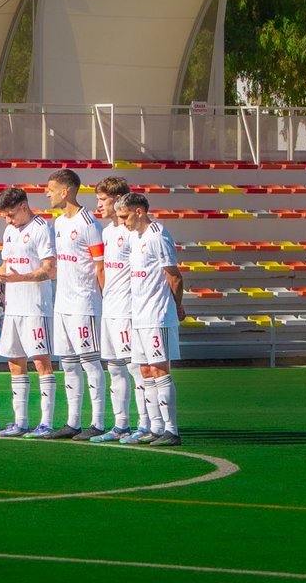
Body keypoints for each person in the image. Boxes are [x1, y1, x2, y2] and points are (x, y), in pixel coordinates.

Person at [0, 185, 58, 439]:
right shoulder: (10, 231)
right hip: (14, 308)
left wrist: (22, 279)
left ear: (23, 207)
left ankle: (47, 423)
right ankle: (21, 422)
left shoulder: (41, 228)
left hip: (36, 307)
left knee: (41, 362)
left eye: (10, 215)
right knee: (14, 362)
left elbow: (50, 269)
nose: (7, 220)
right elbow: (7, 268)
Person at [118, 193, 185, 447]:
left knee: (159, 370)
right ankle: (155, 428)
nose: (123, 222)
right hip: (139, 316)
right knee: (145, 371)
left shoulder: (158, 235)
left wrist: (175, 306)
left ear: (139, 212)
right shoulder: (135, 237)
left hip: (157, 315)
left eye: (125, 216)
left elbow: (174, 276)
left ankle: (171, 430)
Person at [44, 168, 106, 440]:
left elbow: (100, 266)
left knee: (90, 362)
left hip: (84, 303)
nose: (47, 194)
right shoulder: (58, 223)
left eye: (51, 189)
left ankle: (98, 422)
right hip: (62, 304)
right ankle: (73, 422)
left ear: (65, 190)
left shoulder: (89, 223)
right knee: (68, 364)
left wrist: (105, 299)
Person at [91, 176, 147, 442]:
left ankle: (145, 425)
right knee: (114, 368)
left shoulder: (132, 233)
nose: (99, 205)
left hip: (128, 310)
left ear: (117, 199)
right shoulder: (107, 232)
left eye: (103, 199)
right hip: (110, 309)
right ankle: (121, 425)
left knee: (135, 368)